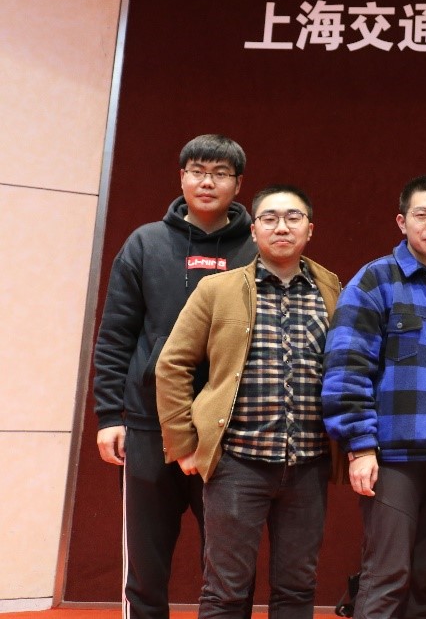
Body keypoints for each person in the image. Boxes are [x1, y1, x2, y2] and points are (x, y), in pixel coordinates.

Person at [156, 185, 340, 619]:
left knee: (298, 587)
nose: (282, 227)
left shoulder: (331, 287)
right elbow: (172, 364)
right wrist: (183, 444)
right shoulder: (217, 289)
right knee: (225, 590)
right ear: (254, 230)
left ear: (309, 229)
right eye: (270, 218)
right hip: (237, 463)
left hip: (309, 464)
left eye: (293, 217)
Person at [91, 134, 255, 619]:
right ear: (181, 177)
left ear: (238, 184)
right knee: (145, 568)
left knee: (231, 569)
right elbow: (116, 335)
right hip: (148, 425)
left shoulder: (256, 247)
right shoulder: (144, 243)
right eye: (197, 171)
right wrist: (109, 416)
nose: (207, 182)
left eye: (220, 173)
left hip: (229, 429)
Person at [322, 175, 426, 619]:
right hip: (393, 455)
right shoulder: (375, 280)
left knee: (425, 580)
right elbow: (347, 367)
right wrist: (360, 447)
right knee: (387, 575)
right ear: (402, 221)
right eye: (421, 214)